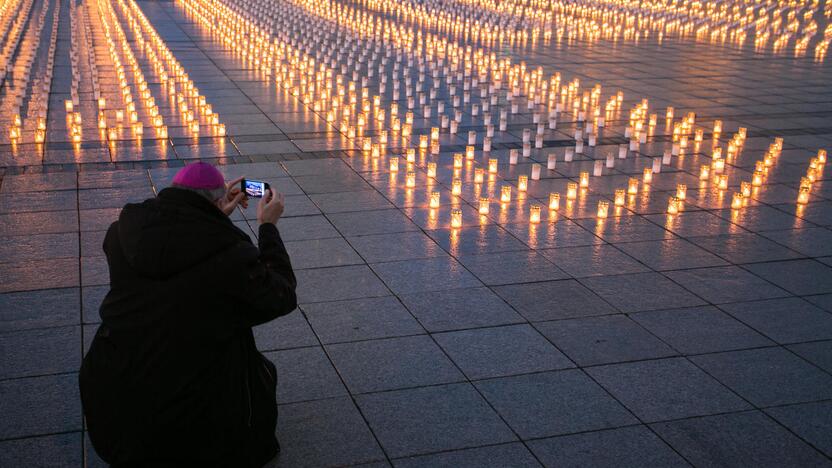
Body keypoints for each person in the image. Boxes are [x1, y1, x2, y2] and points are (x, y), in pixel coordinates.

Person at [80, 162, 297, 467]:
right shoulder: (229, 254)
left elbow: (177, 248)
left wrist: (212, 218)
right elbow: (281, 295)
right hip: (189, 434)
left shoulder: (121, 234)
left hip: (112, 410)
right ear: (217, 201)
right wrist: (268, 227)